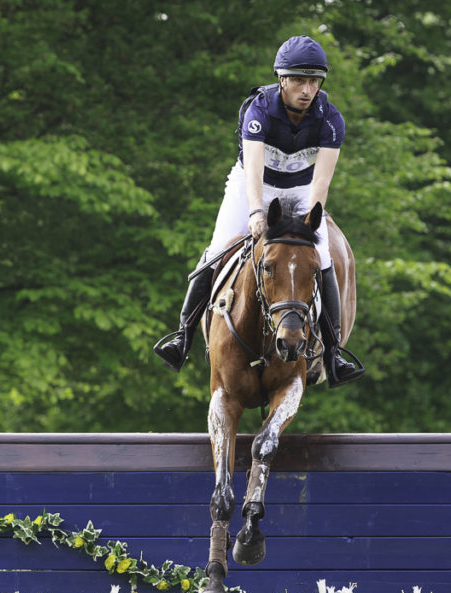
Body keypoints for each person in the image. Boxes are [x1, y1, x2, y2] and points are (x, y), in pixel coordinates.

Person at [154, 35, 364, 387]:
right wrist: (255, 212)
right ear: (282, 79)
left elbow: (321, 183)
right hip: (253, 184)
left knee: (324, 257)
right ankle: (183, 337)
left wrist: (312, 222)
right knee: (217, 249)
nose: (307, 89)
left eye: (314, 81)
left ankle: (333, 353)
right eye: (299, 80)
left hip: (300, 188)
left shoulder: (330, 119)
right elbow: (252, 169)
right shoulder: (260, 108)